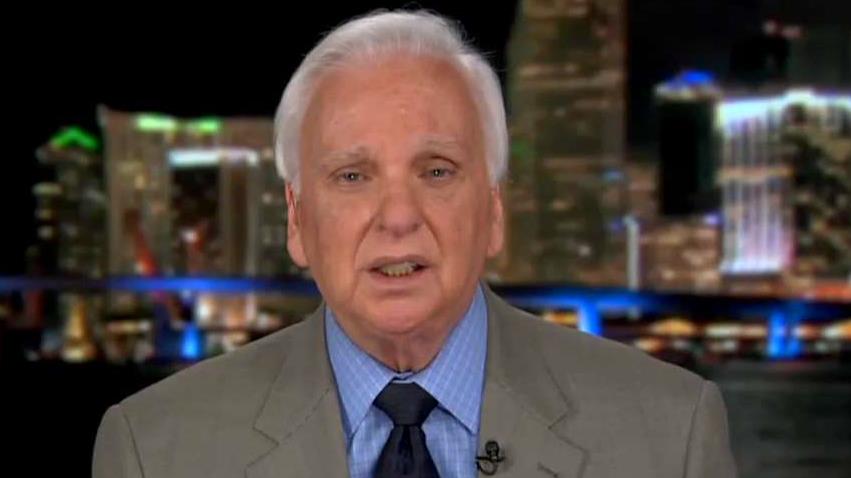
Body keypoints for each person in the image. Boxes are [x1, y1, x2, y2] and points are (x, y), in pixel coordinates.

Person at [93, 10, 737, 478]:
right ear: (296, 220)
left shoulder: (671, 436)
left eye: (436, 171)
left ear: (493, 210)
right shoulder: (155, 450)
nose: (398, 217)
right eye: (352, 176)